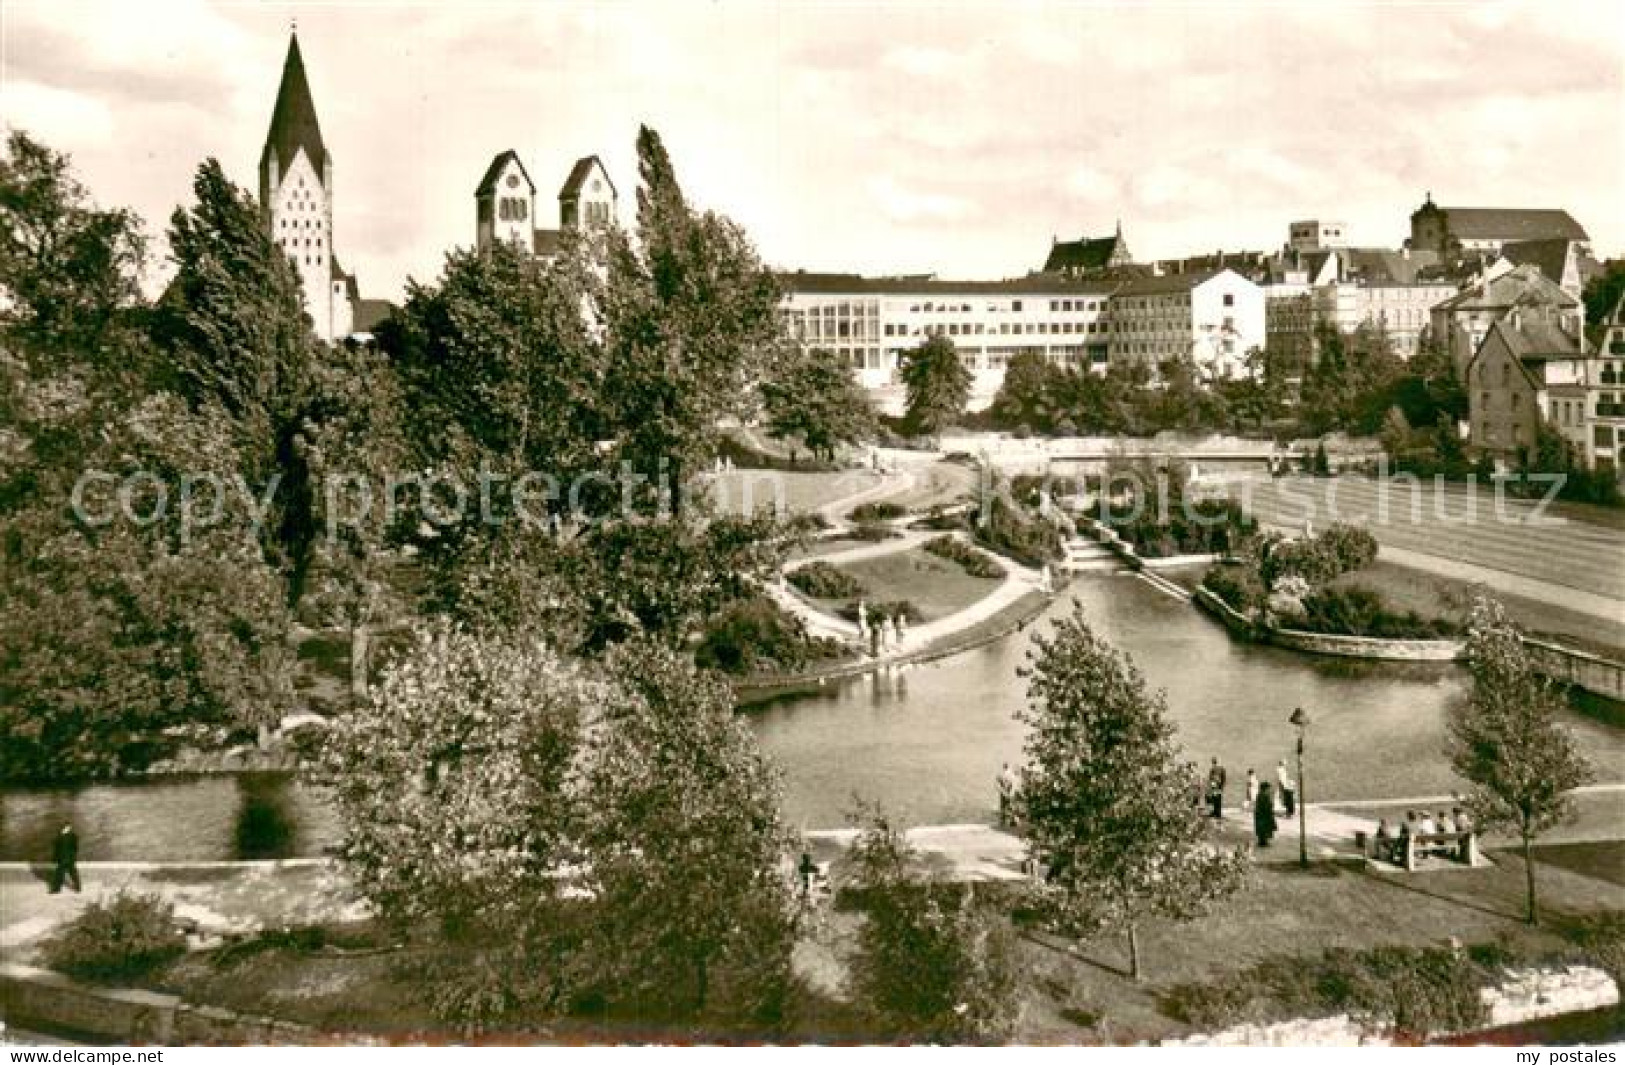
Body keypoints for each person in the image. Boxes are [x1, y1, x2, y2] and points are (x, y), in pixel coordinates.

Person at [49, 823, 81, 894]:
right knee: (59, 874)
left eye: (67, 827)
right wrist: (55, 859)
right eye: (65, 827)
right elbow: (57, 849)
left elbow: (75, 848)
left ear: (69, 828)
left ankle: (77, 888)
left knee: (73, 874)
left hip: (69, 859)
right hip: (62, 859)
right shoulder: (59, 837)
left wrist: (73, 857)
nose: (66, 829)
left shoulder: (73, 836)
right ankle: (56, 889)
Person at [1253, 782, 1278, 848]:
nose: (1269, 790)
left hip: (1260, 814)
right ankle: (1263, 842)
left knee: (1262, 829)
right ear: (1265, 789)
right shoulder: (1264, 796)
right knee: (1264, 828)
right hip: (1263, 815)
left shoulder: (1260, 795)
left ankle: (1263, 841)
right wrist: (1271, 806)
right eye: (1268, 789)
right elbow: (1266, 806)